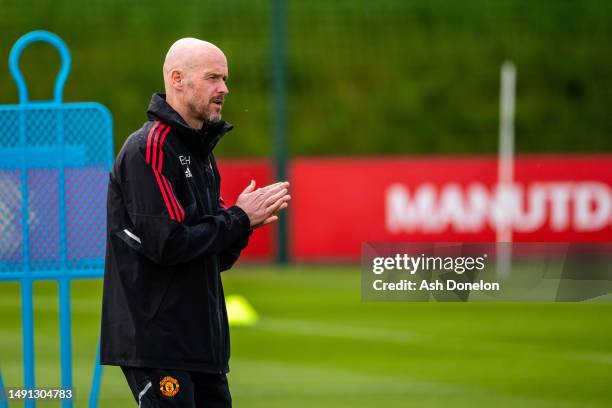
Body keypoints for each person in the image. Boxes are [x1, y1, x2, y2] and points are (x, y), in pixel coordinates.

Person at [100, 38, 290, 407]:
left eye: (225, 79)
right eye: (214, 78)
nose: (225, 89)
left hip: (202, 346)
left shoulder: (200, 153)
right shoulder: (149, 148)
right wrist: (238, 217)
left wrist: (243, 225)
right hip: (160, 343)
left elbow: (214, 257)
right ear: (178, 79)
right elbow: (167, 244)